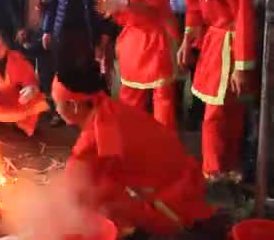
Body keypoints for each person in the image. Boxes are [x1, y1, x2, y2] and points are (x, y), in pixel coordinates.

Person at [51, 66, 217, 237]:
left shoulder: (95, 134)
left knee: (99, 200)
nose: (55, 108)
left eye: (56, 103)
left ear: (73, 105)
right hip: (188, 185)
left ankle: (157, 226)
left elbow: (75, 188)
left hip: (174, 203)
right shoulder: (109, 108)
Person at [178, 0, 256, 182]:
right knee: (221, 111)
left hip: (232, 43)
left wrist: (242, 66)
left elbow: (244, 14)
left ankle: (215, 171)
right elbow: (194, 7)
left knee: (220, 113)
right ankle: (225, 168)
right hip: (212, 41)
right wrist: (187, 40)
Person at [84, 0, 179, 132]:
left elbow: (157, 9)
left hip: (157, 35)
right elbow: (116, 17)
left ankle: (163, 147)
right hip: (131, 40)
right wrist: (113, 11)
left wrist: (126, 4)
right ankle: (130, 143)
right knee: (129, 95)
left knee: (163, 99)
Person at [42, 0, 116, 111]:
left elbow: (106, 8)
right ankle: (68, 109)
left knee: (90, 72)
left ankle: (96, 110)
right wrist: (47, 30)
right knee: (65, 72)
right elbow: (51, 5)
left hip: (88, 32)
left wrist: (104, 35)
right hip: (64, 33)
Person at [8, 0, 53, 101]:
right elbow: (11, 5)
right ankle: (29, 110)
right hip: (26, 33)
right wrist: (19, 27)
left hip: (46, 34)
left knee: (46, 73)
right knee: (25, 74)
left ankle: (51, 109)